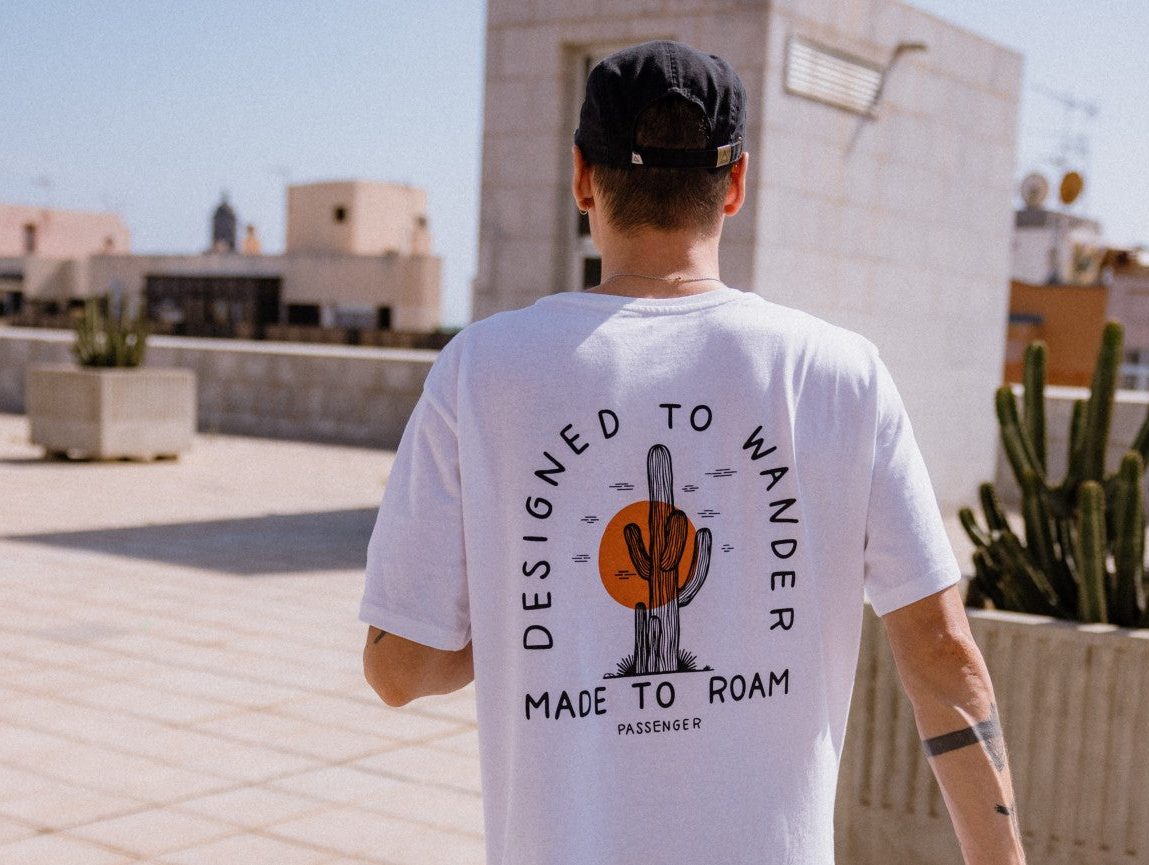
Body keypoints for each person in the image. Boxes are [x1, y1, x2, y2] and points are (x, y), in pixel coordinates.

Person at [360, 39, 1025, 865]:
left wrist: (534, 620)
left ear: (582, 178)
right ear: (736, 183)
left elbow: (397, 665)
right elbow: (940, 652)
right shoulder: (839, 374)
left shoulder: (480, 370)